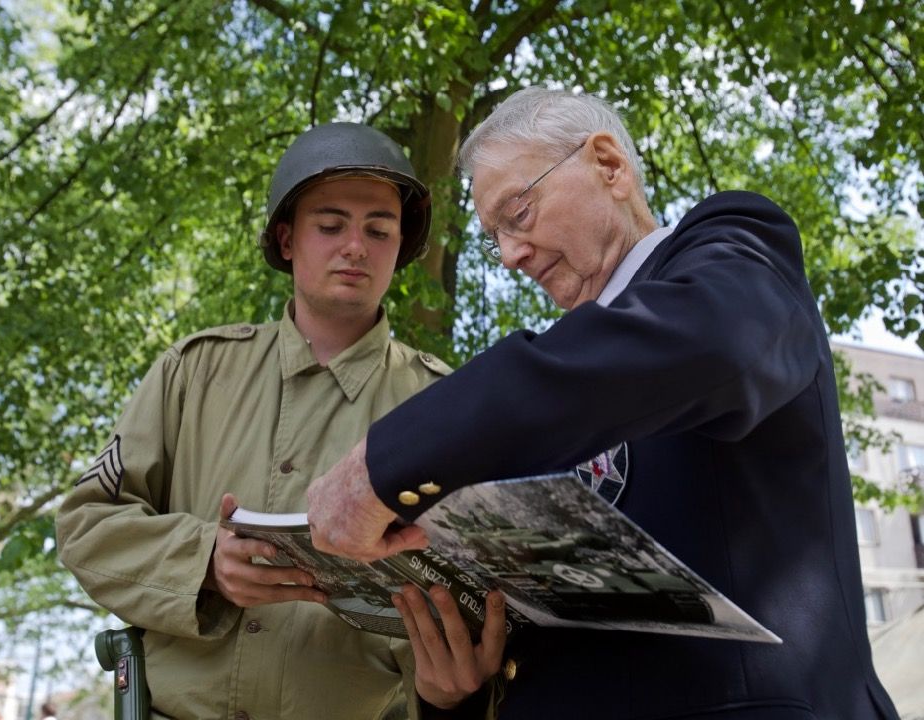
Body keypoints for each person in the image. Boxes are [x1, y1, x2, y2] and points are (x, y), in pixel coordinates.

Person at [306, 88, 900, 719]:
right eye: (494, 238)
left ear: (609, 165)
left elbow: (713, 343)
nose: (510, 255)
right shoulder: (545, 402)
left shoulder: (735, 250)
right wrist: (457, 688)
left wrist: (388, 461)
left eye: (519, 212)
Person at [56, 122, 505, 719]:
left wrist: (450, 691)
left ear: (400, 248)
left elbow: (477, 594)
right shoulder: (193, 372)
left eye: (379, 229)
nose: (355, 246)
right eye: (330, 225)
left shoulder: (445, 408)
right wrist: (204, 562)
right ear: (287, 239)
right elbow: (87, 526)